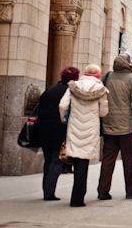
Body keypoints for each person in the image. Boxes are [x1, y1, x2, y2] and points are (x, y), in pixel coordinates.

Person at [97, 52, 132, 200]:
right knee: (129, 160)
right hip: (127, 127)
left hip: (109, 124)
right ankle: (131, 190)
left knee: (107, 159)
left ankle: (103, 191)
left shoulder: (106, 77)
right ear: (130, 62)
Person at [59, 65, 108, 207]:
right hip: (90, 128)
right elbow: (104, 111)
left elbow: (62, 105)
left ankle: (76, 197)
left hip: (74, 126)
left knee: (75, 159)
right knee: (83, 164)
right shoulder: (100, 89)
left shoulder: (74, 86)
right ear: (98, 75)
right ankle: (78, 197)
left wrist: (64, 119)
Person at [37, 66, 80, 201]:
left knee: (48, 161)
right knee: (56, 162)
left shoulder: (50, 90)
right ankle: (49, 192)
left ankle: (46, 190)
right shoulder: (69, 92)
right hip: (58, 130)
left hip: (43, 130)